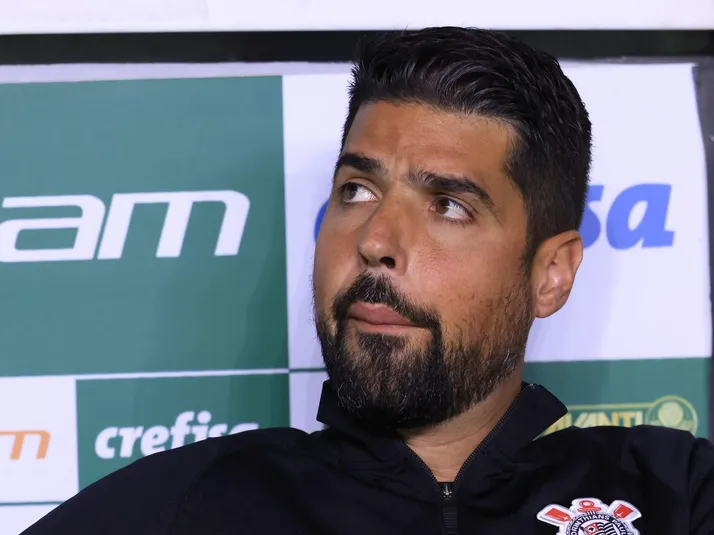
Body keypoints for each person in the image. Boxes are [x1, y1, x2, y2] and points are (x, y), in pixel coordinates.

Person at [23, 27, 714, 535]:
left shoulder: (673, 492)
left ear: (551, 273)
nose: (376, 240)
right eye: (356, 191)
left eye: (449, 205)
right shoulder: (191, 503)